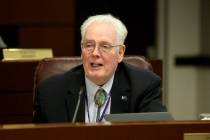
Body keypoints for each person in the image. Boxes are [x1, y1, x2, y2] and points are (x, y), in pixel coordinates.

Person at [33, 14, 166, 123]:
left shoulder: (143, 87)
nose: (95, 53)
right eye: (89, 45)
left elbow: (159, 133)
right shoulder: (51, 92)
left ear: (120, 53)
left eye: (105, 46)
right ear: (81, 50)